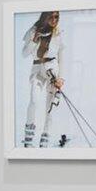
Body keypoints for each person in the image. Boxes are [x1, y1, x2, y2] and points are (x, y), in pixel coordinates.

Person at [21, 10, 65, 147]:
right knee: (34, 100)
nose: (54, 19)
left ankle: (45, 138)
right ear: (45, 16)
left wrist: (61, 78)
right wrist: (34, 41)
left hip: (53, 70)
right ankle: (28, 138)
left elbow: (61, 56)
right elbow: (24, 54)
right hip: (37, 69)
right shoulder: (33, 30)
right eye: (51, 16)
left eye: (57, 16)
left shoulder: (58, 33)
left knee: (50, 106)